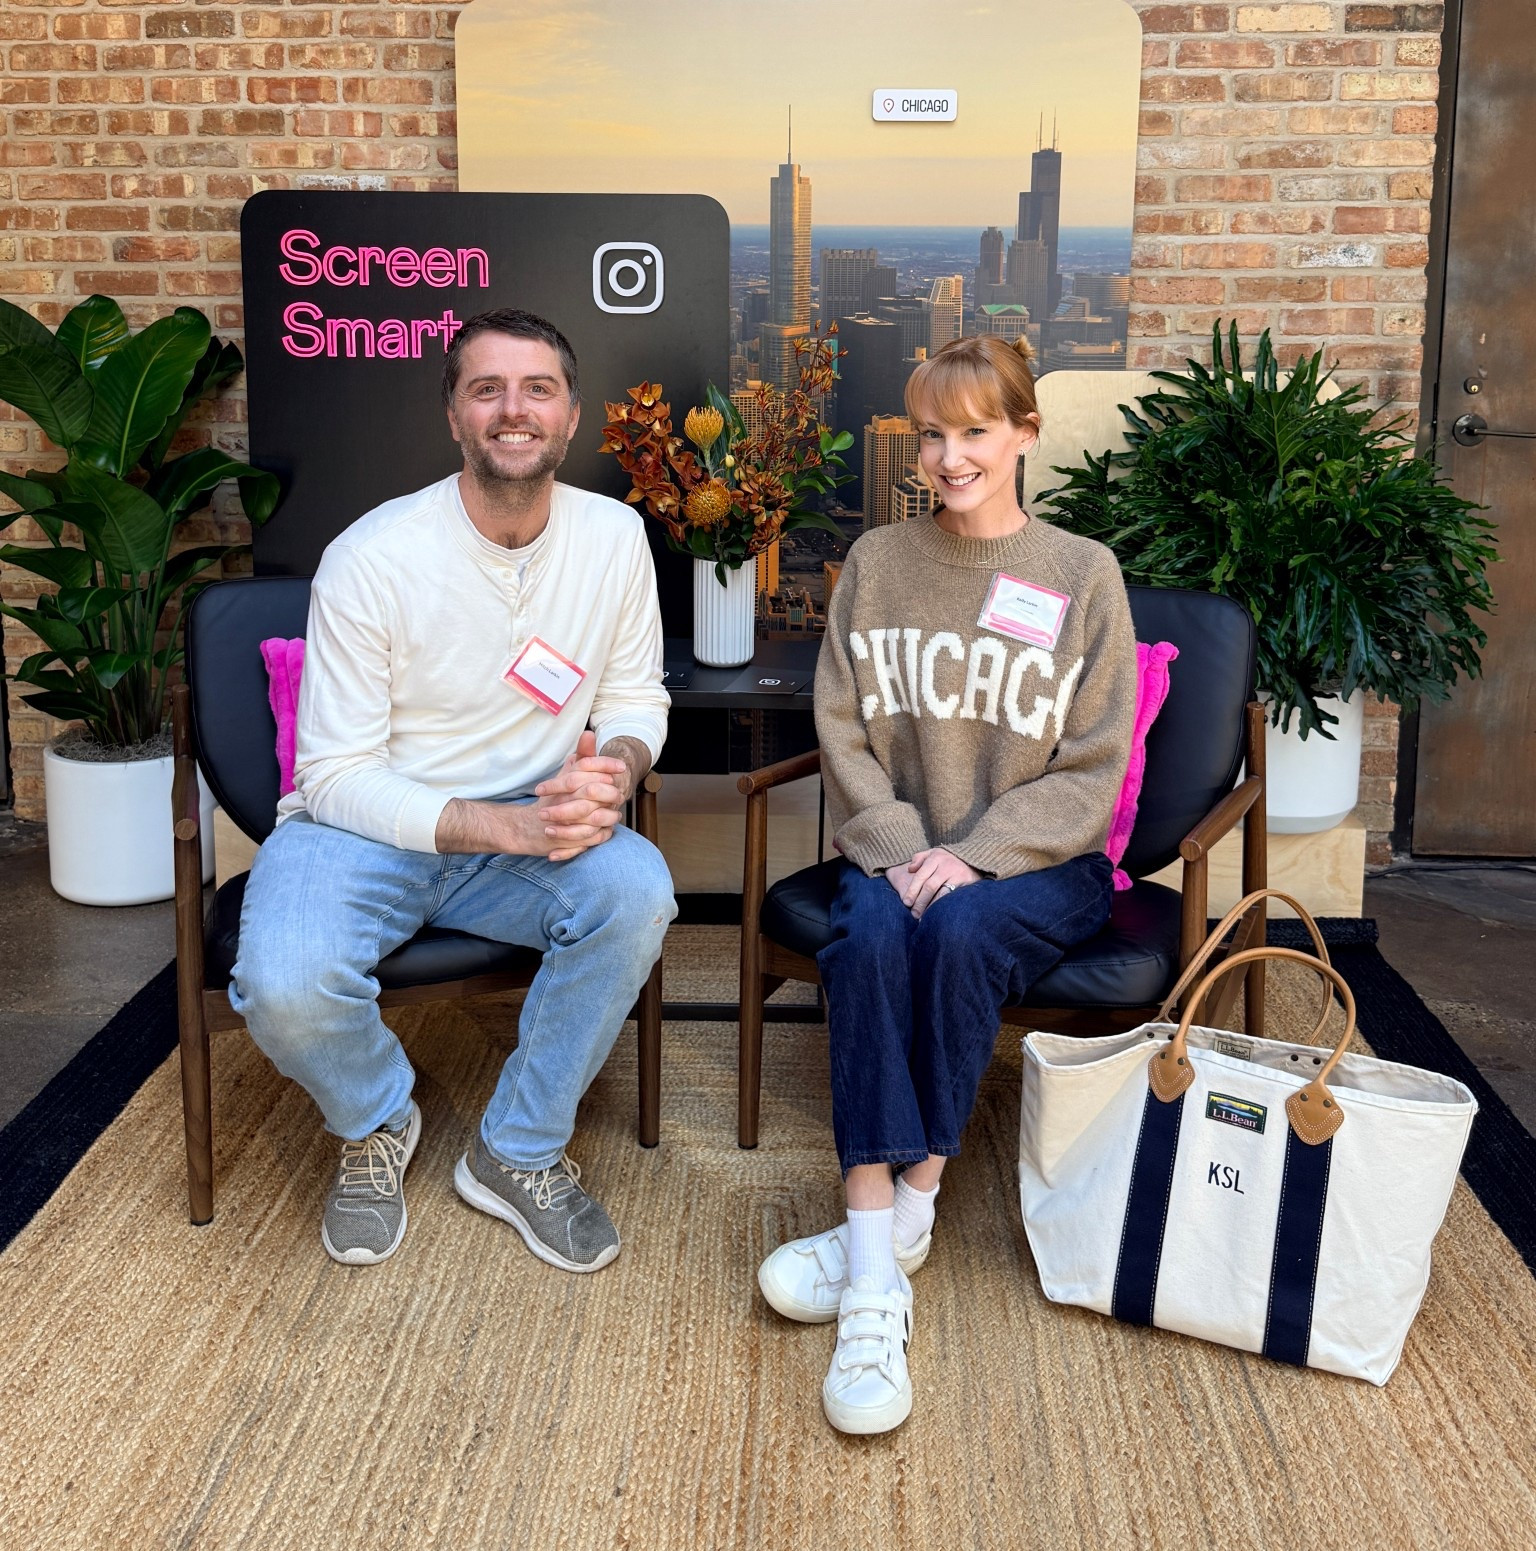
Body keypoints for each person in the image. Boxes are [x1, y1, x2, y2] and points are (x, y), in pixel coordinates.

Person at [231, 308, 676, 1274]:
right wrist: (504, 829)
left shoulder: (615, 536)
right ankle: (377, 1117)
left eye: (537, 389)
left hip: (530, 820)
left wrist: (617, 766)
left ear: (570, 418)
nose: (514, 410)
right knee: (283, 985)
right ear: (453, 416)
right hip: (357, 828)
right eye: (487, 389)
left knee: (637, 891)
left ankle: (517, 1151)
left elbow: (636, 696)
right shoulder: (372, 555)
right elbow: (333, 773)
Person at [757, 334, 1137, 1433]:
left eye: (976, 430)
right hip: (894, 846)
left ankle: (909, 1209)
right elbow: (840, 725)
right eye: (931, 434)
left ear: (1024, 433)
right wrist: (897, 843)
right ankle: (877, 1266)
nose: (950, 456)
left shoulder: (1082, 574)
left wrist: (974, 855)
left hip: (1044, 865)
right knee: (871, 938)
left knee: (963, 931)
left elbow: (1095, 763)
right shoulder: (878, 561)